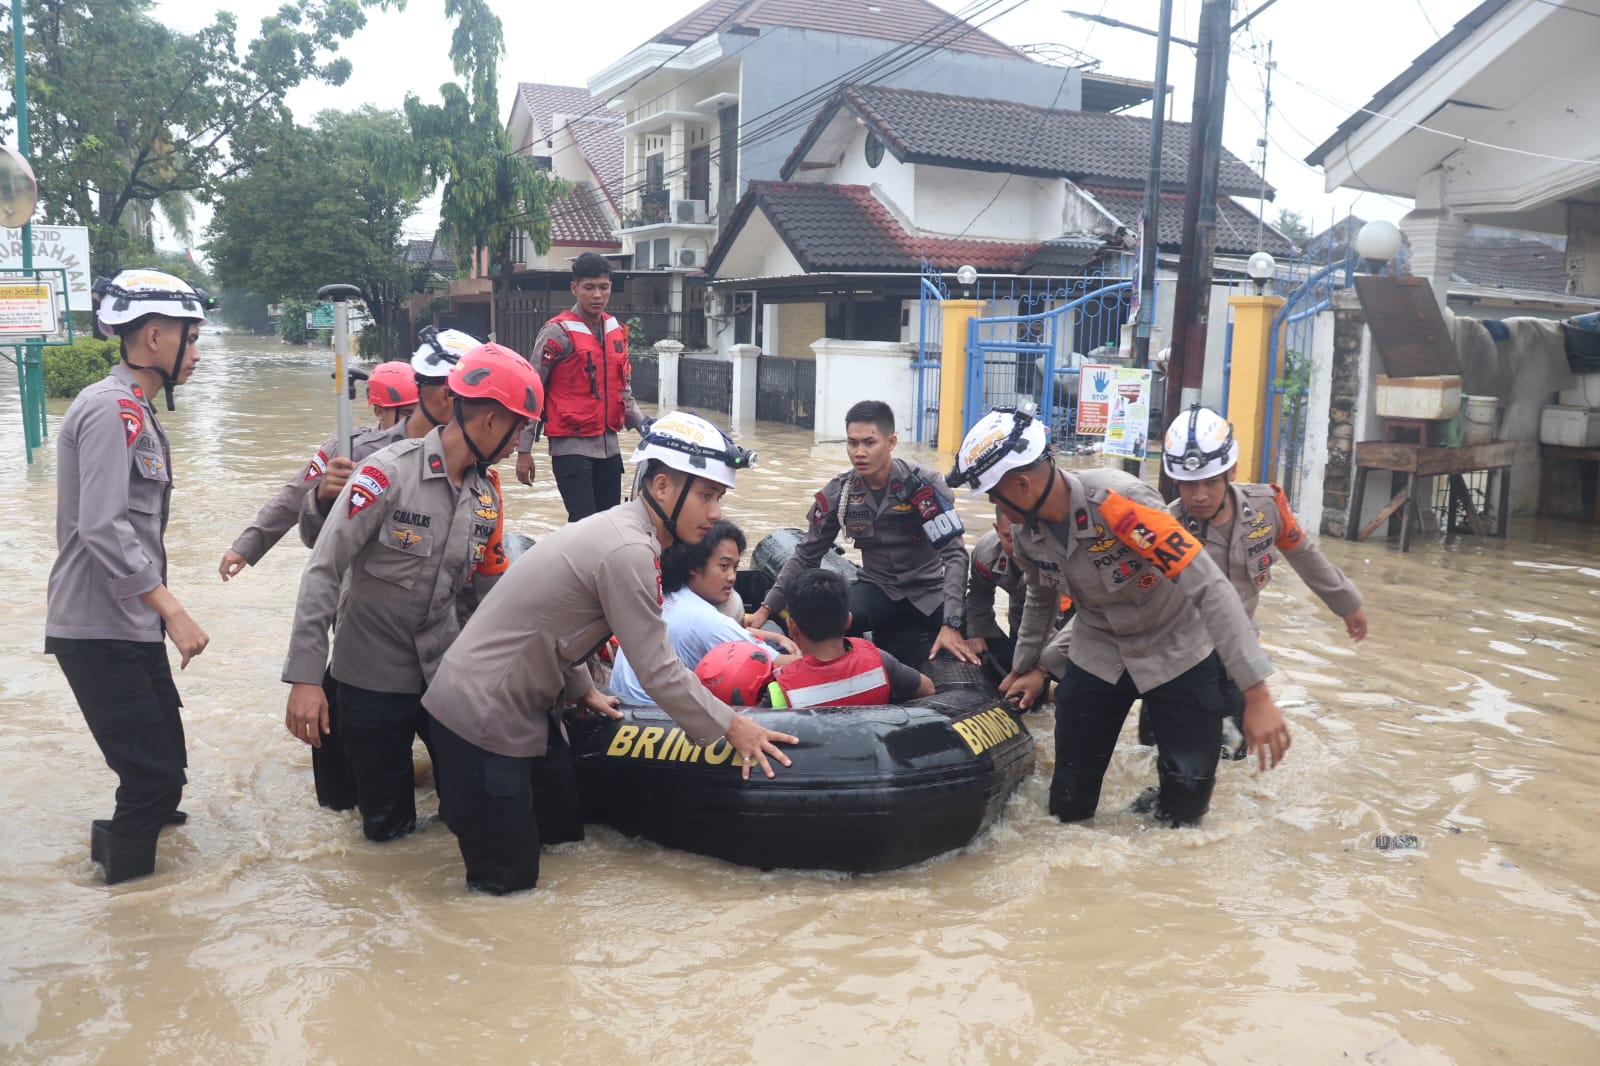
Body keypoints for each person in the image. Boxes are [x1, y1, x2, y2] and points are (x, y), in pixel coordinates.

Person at [423, 411, 799, 895]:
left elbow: (552, 620)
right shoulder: (628, 550)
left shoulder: (628, 534)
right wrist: (733, 725)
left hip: (530, 707)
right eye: (706, 495)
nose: (714, 513)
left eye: (718, 497)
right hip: (482, 717)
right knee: (507, 887)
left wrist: (583, 688)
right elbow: (658, 668)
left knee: (564, 840)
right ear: (662, 488)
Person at [949, 405, 1292, 828]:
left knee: (1186, 812)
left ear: (1020, 484)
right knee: (1067, 807)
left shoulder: (1121, 504)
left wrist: (1256, 695)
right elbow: (1040, 598)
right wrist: (1028, 667)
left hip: (1177, 648)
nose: (993, 505)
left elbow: (1209, 585)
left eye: (993, 495)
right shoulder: (1025, 535)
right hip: (1099, 653)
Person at [280, 343, 539, 842]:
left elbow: (489, 597)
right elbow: (323, 569)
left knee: (464, 807)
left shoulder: (486, 498)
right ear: (489, 421)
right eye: (520, 429)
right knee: (387, 830)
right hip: (371, 677)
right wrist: (306, 680)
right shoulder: (385, 474)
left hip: (441, 676)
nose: (519, 444)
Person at [46, 269, 214, 884]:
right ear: (151, 338)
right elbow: (103, 526)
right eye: (189, 339)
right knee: (152, 777)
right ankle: (129, 914)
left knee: (167, 770)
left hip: (129, 623)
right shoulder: (110, 408)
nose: (196, 354)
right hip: (98, 627)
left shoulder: (135, 409)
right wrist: (173, 610)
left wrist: (156, 613)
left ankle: (128, 887)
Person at [1158, 405, 1368, 757]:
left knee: (1237, 752)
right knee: (1172, 755)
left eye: (1210, 482)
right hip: (1181, 659)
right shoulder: (1164, 528)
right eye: (1188, 484)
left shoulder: (1267, 508)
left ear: (1231, 471)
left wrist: (1347, 604)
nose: (1199, 495)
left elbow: (1303, 553)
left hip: (1238, 652)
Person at [747, 400, 974, 666]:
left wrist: (951, 622)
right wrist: (766, 609)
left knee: (984, 638)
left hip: (930, 591)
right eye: (852, 443)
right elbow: (807, 554)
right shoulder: (840, 493)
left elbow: (955, 556)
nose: (859, 452)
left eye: (869, 442)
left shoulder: (924, 486)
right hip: (877, 589)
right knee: (826, 620)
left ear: (890, 443)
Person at [218, 360, 419, 582]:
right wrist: (247, 546)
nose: (418, 422)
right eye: (408, 413)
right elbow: (294, 496)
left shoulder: (437, 451)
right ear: (380, 412)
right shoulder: (347, 450)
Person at [514, 253, 644, 521]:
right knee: (583, 526)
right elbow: (532, 391)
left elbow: (624, 392)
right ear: (575, 289)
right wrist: (524, 451)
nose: (597, 295)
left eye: (603, 287)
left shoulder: (615, 330)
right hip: (571, 449)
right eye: (589, 287)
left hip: (609, 447)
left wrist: (649, 431)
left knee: (611, 526)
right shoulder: (556, 333)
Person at [609, 520, 797, 703]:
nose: (732, 577)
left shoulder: (667, 594)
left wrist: (777, 637)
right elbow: (783, 664)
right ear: (694, 566)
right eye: (724, 566)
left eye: (735, 567)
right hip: (658, 715)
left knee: (774, 637)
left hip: (626, 699)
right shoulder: (707, 620)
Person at [771, 569, 935, 708]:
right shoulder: (878, 660)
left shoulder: (781, 690)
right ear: (849, 620)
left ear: (792, 627)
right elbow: (927, 689)